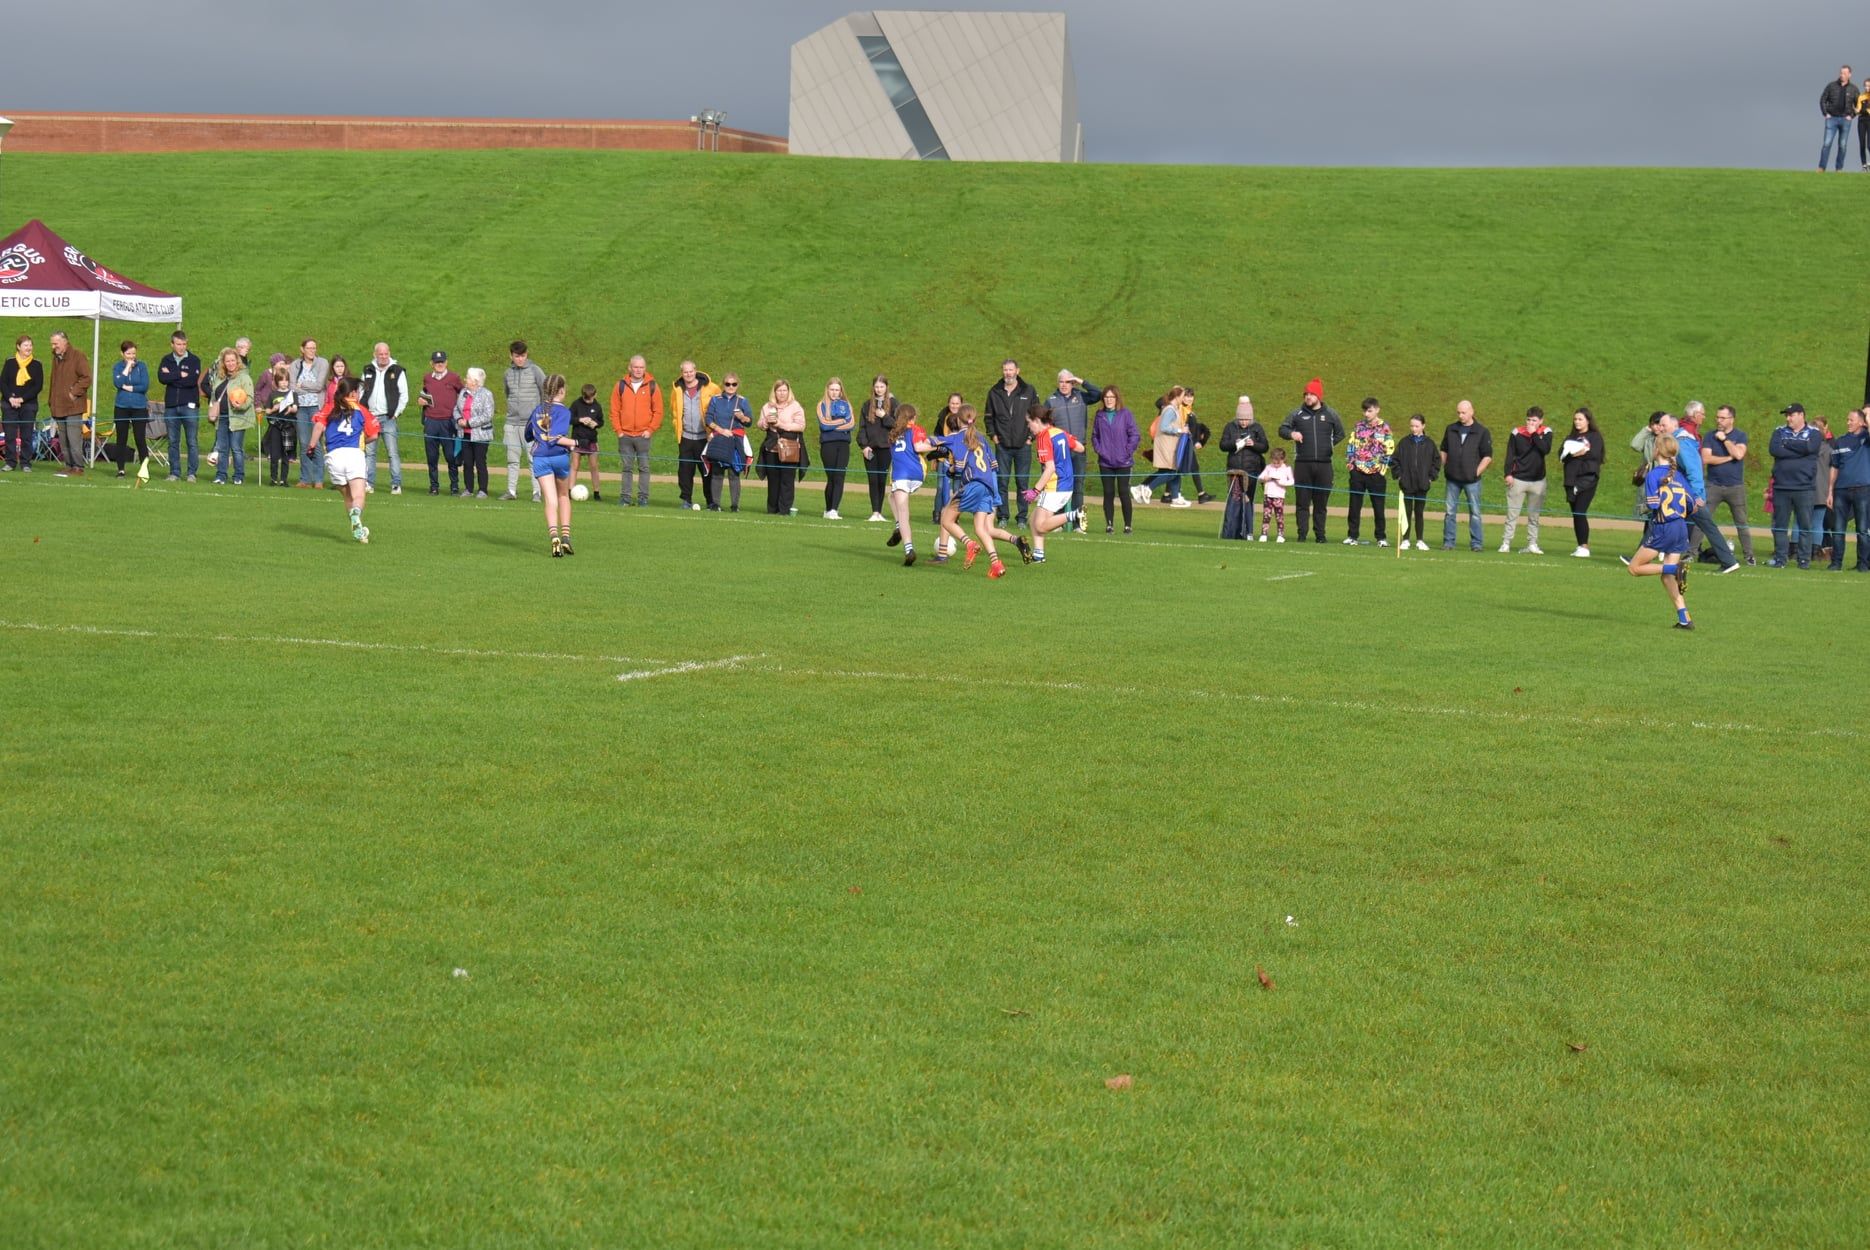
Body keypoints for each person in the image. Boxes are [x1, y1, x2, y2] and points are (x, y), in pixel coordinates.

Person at [1625, 433, 1695, 630]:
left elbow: (1654, 504)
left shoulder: (1654, 474)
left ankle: (1675, 569)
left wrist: (1645, 506)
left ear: (1657, 450)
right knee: (1666, 577)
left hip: (1664, 527)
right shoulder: (1679, 476)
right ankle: (1685, 618)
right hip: (1680, 527)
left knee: (1634, 568)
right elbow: (1692, 504)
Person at [1660, 407, 1738, 572]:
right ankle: (1729, 561)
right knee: (1660, 519)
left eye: (1663, 425)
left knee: (1706, 526)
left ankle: (1729, 561)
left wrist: (1697, 496)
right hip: (1682, 494)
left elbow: (1694, 470)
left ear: (1674, 426)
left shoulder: (1681, 443)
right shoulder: (1676, 442)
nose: (1660, 428)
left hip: (1689, 496)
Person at [306, 377, 379, 543]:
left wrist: (311, 446)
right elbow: (374, 435)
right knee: (358, 495)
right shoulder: (361, 410)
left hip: (334, 457)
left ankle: (358, 530)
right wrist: (362, 441)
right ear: (352, 393)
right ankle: (356, 513)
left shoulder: (330, 407)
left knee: (347, 496)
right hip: (354, 454)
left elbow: (318, 426)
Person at [951, 420, 1023, 579]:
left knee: (946, 518)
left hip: (976, 488)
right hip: (989, 489)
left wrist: (951, 468)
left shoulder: (962, 442)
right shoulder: (983, 442)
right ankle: (997, 562)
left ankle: (967, 545)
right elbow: (993, 468)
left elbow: (959, 467)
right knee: (981, 529)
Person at [1278, 377, 1344, 541]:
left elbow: (1340, 434)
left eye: (1312, 394)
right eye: (1306, 394)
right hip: (1302, 464)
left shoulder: (1331, 414)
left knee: (1321, 504)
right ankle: (1302, 535)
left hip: (1324, 465)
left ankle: (1320, 535)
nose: (1308, 397)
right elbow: (1282, 429)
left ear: (1319, 396)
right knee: (1302, 502)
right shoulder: (1296, 414)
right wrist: (1291, 434)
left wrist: (1328, 446)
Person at [526, 374, 578, 556]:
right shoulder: (564, 411)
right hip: (558, 457)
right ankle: (566, 538)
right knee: (563, 495)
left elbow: (528, 435)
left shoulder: (537, 410)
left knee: (550, 500)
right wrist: (575, 442)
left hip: (540, 458)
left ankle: (554, 537)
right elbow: (556, 437)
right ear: (561, 391)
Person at [882, 402, 939, 565]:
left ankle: (909, 549)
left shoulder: (893, 433)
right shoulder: (917, 429)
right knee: (891, 497)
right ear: (913, 417)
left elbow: (916, 446)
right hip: (917, 474)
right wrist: (936, 445)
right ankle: (899, 527)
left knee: (903, 513)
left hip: (901, 475)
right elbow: (920, 446)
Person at [1767, 403, 1823, 568]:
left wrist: (1787, 444)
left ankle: (1804, 559)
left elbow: (1811, 448)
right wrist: (1801, 450)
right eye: (1787, 415)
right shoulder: (1779, 431)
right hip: (1781, 486)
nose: (1788, 418)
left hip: (1804, 487)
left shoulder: (1814, 433)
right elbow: (1774, 450)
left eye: (1791, 415)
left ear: (1801, 415)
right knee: (1780, 526)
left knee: (1805, 525)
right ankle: (1780, 558)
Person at [985, 359, 1039, 526]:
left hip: (1023, 445)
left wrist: (1030, 438)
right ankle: (1003, 516)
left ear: (1017, 371)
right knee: (1002, 482)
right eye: (1005, 370)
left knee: (1022, 482)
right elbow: (988, 417)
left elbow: (1037, 415)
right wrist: (994, 436)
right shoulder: (994, 391)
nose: (1008, 373)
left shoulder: (1028, 390)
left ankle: (1022, 517)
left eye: (1010, 370)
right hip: (1002, 446)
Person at [1024, 404, 1081, 563]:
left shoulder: (1043, 437)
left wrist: (1035, 490)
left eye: (1029, 422)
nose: (1029, 427)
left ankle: (1075, 515)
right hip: (1067, 485)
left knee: (1040, 525)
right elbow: (1080, 448)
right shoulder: (1059, 432)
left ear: (1037, 420)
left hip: (1054, 487)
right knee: (1033, 520)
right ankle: (1038, 554)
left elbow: (1050, 468)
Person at [1700, 404, 1754, 565]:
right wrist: (1729, 458)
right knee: (1701, 518)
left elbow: (1739, 454)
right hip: (1713, 485)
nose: (1719, 421)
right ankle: (1691, 552)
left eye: (1723, 418)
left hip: (1735, 487)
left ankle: (1749, 556)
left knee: (1742, 523)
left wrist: (1725, 440)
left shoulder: (1740, 436)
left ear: (1732, 419)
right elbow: (1706, 458)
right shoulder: (1709, 436)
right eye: (1717, 417)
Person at [1046, 369, 1102, 523]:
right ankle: (1057, 522)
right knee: (1060, 485)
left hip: (1078, 449)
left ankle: (1078, 523)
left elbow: (1098, 394)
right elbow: (1045, 424)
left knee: (1078, 485)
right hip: (1060, 451)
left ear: (1073, 384)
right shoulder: (1051, 400)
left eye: (1068, 382)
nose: (1064, 385)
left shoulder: (1081, 396)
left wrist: (1081, 381)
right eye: (1061, 382)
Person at [608, 354, 661, 508]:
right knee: (627, 468)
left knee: (644, 467)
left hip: (643, 435)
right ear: (630, 368)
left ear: (645, 368)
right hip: (625, 435)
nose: (638, 370)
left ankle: (643, 498)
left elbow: (658, 411)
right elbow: (614, 411)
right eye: (636, 367)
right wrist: (619, 430)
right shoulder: (620, 385)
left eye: (641, 367)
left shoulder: (652, 386)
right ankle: (625, 497)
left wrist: (650, 430)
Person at [1439, 400, 1493, 550]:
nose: (1460, 415)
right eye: (1458, 412)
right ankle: (1448, 542)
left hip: (1472, 481)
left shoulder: (1482, 431)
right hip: (1452, 479)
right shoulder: (1451, 429)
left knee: (1475, 512)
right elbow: (1443, 449)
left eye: (1463, 412)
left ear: (1471, 412)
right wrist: (1446, 465)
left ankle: (1476, 543)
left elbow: (1487, 456)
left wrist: (1476, 472)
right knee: (1450, 512)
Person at [1499, 406, 1552, 553]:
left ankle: (1532, 544)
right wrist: (1508, 474)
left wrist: (1534, 434)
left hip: (1538, 481)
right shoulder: (1517, 433)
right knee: (1512, 514)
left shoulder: (1546, 432)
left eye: (1534, 420)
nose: (1530, 423)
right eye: (1528, 420)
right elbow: (1510, 454)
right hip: (1518, 479)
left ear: (1541, 421)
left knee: (1534, 515)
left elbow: (1545, 449)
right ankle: (1506, 542)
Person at [1343, 396, 1394, 546]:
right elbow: (1351, 445)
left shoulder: (1384, 427)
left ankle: (1381, 537)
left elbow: (1389, 448)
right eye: (1365, 411)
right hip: (1358, 471)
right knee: (1354, 505)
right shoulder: (1359, 426)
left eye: (1370, 411)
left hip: (1376, 474)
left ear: (1377, 410)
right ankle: (1352, 536)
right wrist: (1351, 466)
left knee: (1378, 507)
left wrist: (1382, 469)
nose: (1366, 414)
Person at [358, 342, 408, 494]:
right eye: (380, 354)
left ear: (389, 353)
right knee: (369, 453)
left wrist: (396, 413)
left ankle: (396, 484)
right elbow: (361, 392)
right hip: (370, 417)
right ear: (375, 354)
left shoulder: (397, 370)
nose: (384, 357)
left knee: (392, 453)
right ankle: (369, 483)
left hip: (388, 418)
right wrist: (363, 412)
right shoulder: (368, 369)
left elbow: (404, 395)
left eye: (386, 354)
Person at [669, 360, 719, 511]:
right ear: (682, 373)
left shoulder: (712, 387)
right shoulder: (677, 389)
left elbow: (719, 409)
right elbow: (674, 411)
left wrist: (714, 431)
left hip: (705, 437)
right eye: (685, 372)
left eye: (691, 371)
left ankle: (711, 501)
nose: (688, 374)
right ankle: (686, 500)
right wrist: (677, 427)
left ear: (695, 371)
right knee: (685, 471)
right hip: (685, 437)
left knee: (707, 471)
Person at [1090, 384, 1141, 533]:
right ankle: (1109, 524)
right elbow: (1095, 436)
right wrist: (1100, 450)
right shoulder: (1100, 415)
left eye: (1112, 397)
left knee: (1123, 492)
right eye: (1106, 397)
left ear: (1117, 398)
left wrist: (1127, 451)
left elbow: (1134, 434)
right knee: (1108, 492)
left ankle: (1127, 525)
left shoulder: (1126, 414)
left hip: (1123, 461)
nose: (1109, 400)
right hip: (1105, 462)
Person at [502, 341, 548, 503]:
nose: (520, 359)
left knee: (533, 459)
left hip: (531, 424)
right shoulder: (508, 373)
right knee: (512, 459)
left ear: (526, 355)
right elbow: (508, 394)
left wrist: (542, 417)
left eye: (522, 356)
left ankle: (537, 492)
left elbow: (545, 392)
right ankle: (511, 491)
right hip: (511, 423)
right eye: (517, 356)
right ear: (511, 356)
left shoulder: (535, 370)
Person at [154, 331, 202, 482]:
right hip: (171, 406)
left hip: (189, 406)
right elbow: (162, 378)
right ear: (172, 344)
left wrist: (172, 376)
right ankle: (174, 472)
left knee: (191, 441)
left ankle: (191, 473)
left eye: (184, 344)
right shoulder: (166, 360)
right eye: (178, 344)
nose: (182, 347)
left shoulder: (194, 360)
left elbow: (192, 381)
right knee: (173, 441)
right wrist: (180, 374)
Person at [1219, 396, 1269, 540]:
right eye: (1241, 419)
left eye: (1246, 419)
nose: (1244, 422)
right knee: (1234, 500)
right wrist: (1233, 443)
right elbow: (1222, 445)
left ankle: (1247, 531)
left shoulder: (1257, 428)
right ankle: (1231, 532)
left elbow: (1265, 447)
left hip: (1252, 471)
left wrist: (1253, 444)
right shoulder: (1230, 427)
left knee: (1248, 501)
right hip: (1234, 471)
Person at [1558, 407, 1606, 557]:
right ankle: (1580, 546)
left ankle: (1584, 547)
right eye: (1575, 419)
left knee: (1580, 511)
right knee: (1576, 513)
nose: (1577, 422)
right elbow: (1561, 455)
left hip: (1587, 478)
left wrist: (1578, 453)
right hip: (1571, 479)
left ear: (1588, 421)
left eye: (1580, 419)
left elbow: (1594, 454)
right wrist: (1575, 453)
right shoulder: (1570, 437)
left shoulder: (1595, 436)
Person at [702, 372, 752, 511]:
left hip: (735, 440)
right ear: (723, 385)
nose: (731, 387)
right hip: (719, 438)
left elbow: (749, 421)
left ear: (737, 385)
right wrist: (721, 430)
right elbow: (708, 419)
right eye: (728, 384)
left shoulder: (742, 401)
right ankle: (715, 504)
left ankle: (735, 505)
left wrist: (742, 417)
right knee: (717, 472)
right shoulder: (715, 399)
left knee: (734, 473)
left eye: (734, 384)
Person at [1826, 408, 1870, 570]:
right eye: (1847, 420)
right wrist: (1830, 491)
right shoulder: (1840, 441)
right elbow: (1834, 467)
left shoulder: (1866, 438)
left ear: (1861, 422)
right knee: (1838, 529)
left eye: (1851, 420)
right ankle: (1836, 563)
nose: (1848, 423)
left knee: (1862, 529)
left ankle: (1863, 564)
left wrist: (1868, 418)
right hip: (1841, 491)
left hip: (1862, 490)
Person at [418, 351, 466, 496]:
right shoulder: (427, 378)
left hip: (448, 421)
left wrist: (460, 413)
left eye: (442, 362)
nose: (440, 364)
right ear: (431, 363)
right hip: (431, 421)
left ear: (446, 363)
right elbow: (424, 394)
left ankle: (454, 486)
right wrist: (421, 400)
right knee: (432, 456)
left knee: (451, 456)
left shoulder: (454, 377)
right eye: (437, 362)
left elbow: (464, 394)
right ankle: (434, 486)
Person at [206, 346, 254, 485]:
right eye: (227, 361)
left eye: (233, 360)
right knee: (222, 448)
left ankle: (238, 476)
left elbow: (250, 397)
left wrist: (241, 406)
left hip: (237, 418)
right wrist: (212, 409)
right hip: (222, 418)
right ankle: (221, 475)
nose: (230, 363)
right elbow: (214, 396)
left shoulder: (244, 377)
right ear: (224, 363)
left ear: (237, 361)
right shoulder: (219, 377)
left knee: (236, 448)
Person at [47, 331, 92, 476]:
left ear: (65, 341)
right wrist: (51, 401)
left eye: (55, 343)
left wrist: (73, 393)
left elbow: (86, 378)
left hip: (73, 406)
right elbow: (54, 381)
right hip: (59, 405)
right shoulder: (56, 358)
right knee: (63, 439)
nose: (53, 347)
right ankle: (69, 465)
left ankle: (78, 466)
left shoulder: (78, 356)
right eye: (52, 344)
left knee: (73, 437)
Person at [758, 378, 807, 515]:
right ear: (774, 392)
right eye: (779, 390)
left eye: (784, 390)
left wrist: (781, 424)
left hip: (789, 447)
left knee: (787, 479)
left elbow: (801, 426)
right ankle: (772, 509)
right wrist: (766, 422)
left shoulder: (795, 406)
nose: (782, 393)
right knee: (773, 479)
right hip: (772, 447)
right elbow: (760, 424)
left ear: (788, 391)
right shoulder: (767, 406)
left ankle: (784, 509)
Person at [1392, 414, 1439, 550]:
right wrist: (1399, 476)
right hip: (1407, 483)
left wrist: (1430, 477)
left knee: (1419, 512)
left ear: (1423, 426)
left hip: (1422, 484)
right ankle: (1405, 540)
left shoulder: (1429, 444)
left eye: (1417, 426)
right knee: (1406, 512)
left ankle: (1420, 540)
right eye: (1412, 426)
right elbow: (1395, 460)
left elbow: (1436, 462)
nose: (1414, 429)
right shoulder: (1404, 442)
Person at [1138, 386, 1192, 505]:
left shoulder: (1173, 409)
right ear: (1177, 397)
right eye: (1183, 396)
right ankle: (1148, 488)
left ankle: (1175, 497)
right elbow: (1164, 427)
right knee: (1171, 472)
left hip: (1171, 445)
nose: (1184, 399)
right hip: (1167, 445)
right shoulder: (1170, 410)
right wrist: (1180, 430)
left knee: (1175, 470)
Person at [1, 335, 45, 473]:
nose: (29, 348)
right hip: (9, 404)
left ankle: (26, 462)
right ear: (18, 347)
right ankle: (10, 462)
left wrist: (22, 399)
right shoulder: (10, 362)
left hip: (28, 404)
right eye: (26, 345)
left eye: (30, 345)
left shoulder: (37, 364)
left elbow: (38, 386)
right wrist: (10, 398)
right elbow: (3, 382)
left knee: (27, 435)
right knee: (10, 435)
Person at [288, 339, 329, 488]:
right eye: (309, 348)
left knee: (315, 442)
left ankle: (318, 479)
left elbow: (319, 386)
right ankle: (304, 478)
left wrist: (302, 384)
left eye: (314, 348)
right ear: (302, 349)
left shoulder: (322, 363)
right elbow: (292, 386)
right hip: (301, 407)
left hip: (316, 407)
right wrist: (305, 390)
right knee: (304, 442)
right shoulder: (295, 365)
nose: (312, 351)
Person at [857, 374, 898, 522]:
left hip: (886, 448)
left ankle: (879, 512)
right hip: (870, 449)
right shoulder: (867, 405)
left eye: (882, 386)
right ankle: (874, 512)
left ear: (886, 387)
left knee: (881, 479)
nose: (879, 389)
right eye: (876, 387)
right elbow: (862, 427)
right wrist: (864, 446)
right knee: (872, 479)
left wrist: (884, 416)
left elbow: (897, 425)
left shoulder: (894, 404)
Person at [109, 340, 151, 476]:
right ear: (122, 354)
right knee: (121, 439)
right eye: (128, 354)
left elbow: (144, 386)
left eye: (133, 353)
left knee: (140, 438)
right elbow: (118, 382)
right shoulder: (118, 367)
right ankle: (121, 469)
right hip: (121, 407)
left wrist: (129, 388)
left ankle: (144, 469)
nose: (131, 356)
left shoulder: (142, 366)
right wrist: (127, 368)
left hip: (139, 407)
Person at [454, 367, 496, 497]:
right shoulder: (463, 392)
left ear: (475, 381)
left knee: (480, 462)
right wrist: (459, 419)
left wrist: (469, 422)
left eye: (468, 377)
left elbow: (487, 415)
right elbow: (456, 409)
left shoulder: (486, 394)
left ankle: (483, 490)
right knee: (467, 462)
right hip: (465, 434)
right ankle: (468, 489)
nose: (465, 379)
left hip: (481, 435)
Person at [816, 376, 854, 518]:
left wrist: (833, 424)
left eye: (837, 390)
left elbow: (851, 424)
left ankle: (834, 510)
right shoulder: (821, 405)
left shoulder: (847, 405)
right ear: (827, 390)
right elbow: (824, 426)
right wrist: (842, 422)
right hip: (828, 444)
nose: (834, 392)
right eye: (832, 389)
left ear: (841, 391)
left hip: (843, 444)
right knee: (831, 476)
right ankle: (828, 509)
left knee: (840, 476)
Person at [260, 359, 296, 486]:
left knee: (286, 455)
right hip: (275, 426)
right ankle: (273, 479)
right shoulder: (273, 395)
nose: (284, 383)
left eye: (286, 380)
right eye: (281, 380)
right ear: (277, 381)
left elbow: (296, 408)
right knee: (274, 454)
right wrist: (273, 409)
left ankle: (284, 479)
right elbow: (267, 411)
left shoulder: (292, 394)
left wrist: (290, 408)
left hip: (288, 427)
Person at [568, 383, 605, 500]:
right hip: (577, 439)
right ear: (583, 395)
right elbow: (569, 419)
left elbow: (601, 422)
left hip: (591, 440)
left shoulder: (597, 406)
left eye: (591, 398)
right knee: (575, 465)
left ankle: (596, 493)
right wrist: (580, 420)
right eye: (586, 399)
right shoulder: (576, 404)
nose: (588, 401)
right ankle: (570, 491)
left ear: (595, 395)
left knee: (594, 467)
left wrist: (595, 424)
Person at [1820, 66, 1858, 172]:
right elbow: (1823, 99)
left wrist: (1852, 116)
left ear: (1849, 75)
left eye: (1845, 73)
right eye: (1841, 73)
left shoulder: (1854, 89)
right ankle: (1821, 167)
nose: (1842, 75)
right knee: (1826, 144)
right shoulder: (1831, 86)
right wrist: (1825, 113)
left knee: (1842, 145)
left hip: (1845, 120)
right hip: (1831, 119)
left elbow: (1859, 105)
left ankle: (1839, 168)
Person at [1629, 411, 1663, 518]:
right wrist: (1647, 429)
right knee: (1646, 514)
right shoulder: (1649, 440)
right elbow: (1635, 445)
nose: (1656, 427)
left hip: (1661, 479)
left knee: (1658, 513)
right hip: (1647, 479)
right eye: (1653, 424)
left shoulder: (1668, 440)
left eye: (1658, 424)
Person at [1258, 448, 1295, 541]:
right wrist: (1265, 478)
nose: (1275, 465)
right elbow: (1260, 477)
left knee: (1279, 517)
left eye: (1278, 463)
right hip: (1268, 495)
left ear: (1283, 460)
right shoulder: (1268, 467)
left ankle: (1280, 535)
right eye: (1274, 463)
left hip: (1279, 496)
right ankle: (1264, 534)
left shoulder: (1287, 469)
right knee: (1266, 516)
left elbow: (1292, 481)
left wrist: (1282, 483)